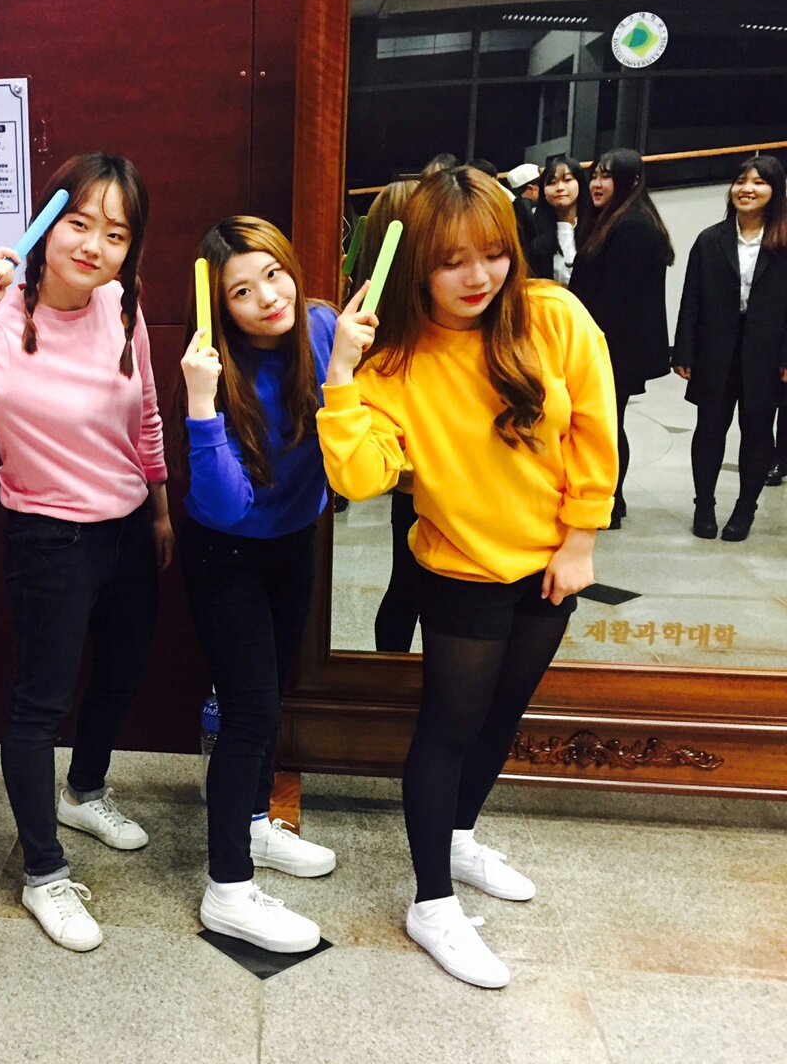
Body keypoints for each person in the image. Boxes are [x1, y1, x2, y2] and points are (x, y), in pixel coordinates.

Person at [318, 167, 616, 989]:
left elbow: (595, 429)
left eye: (492, 254)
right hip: (460, 569)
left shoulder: (552, 316)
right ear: (419, 264)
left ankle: (456, 839)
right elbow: (357, 477)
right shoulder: (396, 360)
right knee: (449, 729)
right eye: (452, 261)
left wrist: (580, 539)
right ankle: (432, 903)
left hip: (550, 562)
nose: (477, 276)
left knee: (501, 717)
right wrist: (341, 375)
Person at [0, 152, 171, 952]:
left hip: (129, 527)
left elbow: (146, 412)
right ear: (45, 225)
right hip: (50, 539)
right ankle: (43, 873)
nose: (94, 246)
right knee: (39, 704)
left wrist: (159, 507)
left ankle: (83, 792)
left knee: (122, 671)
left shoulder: (120, 303)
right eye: (79, 223)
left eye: (116, 233)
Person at [175, 216, 336, 953]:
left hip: (294, 541)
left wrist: (350, 368)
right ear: (220, 307)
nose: (268, 297)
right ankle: (228, 889)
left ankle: (252, 823)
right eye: (242, 291)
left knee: (275, 694)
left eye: (273, 274)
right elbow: (225, 504)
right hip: (226, 551)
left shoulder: (322, 329)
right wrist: (200, 403)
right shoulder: (212, 367)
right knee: (248, 710)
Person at [674, 154, 787, 541]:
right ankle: (704, 505)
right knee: (709, 428)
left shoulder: (783, 241)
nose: (747, 189)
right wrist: (683, 350)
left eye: (759, 182)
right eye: (741, 181)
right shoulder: (710, 239)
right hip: (715, 350)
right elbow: (691, 298)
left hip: (767, 352)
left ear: (775, 191)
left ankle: (744, 510)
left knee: (757, 432)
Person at [570, 148, 674, 530]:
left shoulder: (631, 226)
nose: (596, 184)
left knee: (607, 426)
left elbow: (618, 302)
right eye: (595, 175)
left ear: (630, 181)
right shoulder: (615, 219)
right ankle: (614, 499)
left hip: (615, 350)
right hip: (611, 346)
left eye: (607, 176)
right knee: (609, 423)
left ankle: (611, 502)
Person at [352, 181, 422, 652]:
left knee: (408, 587)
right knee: (412, 587)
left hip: (422, 484)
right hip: (418, 484)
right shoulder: (373, 320)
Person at [528, 155, 591, 284]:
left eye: (567, 180)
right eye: (552, 182)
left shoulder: (596, 227)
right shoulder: (532, 231)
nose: (560, 187)